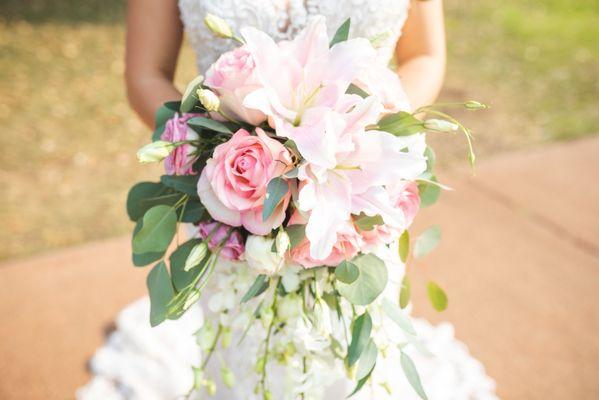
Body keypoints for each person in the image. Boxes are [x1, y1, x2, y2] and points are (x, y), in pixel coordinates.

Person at [77, 2, 498, 399]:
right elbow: (145, 74)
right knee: (242, 359)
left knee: (350, 369)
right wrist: (223, 155)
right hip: (231, 196)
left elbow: (425, 56)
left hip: (357, 190)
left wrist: (365, 138)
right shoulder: (228, 178)